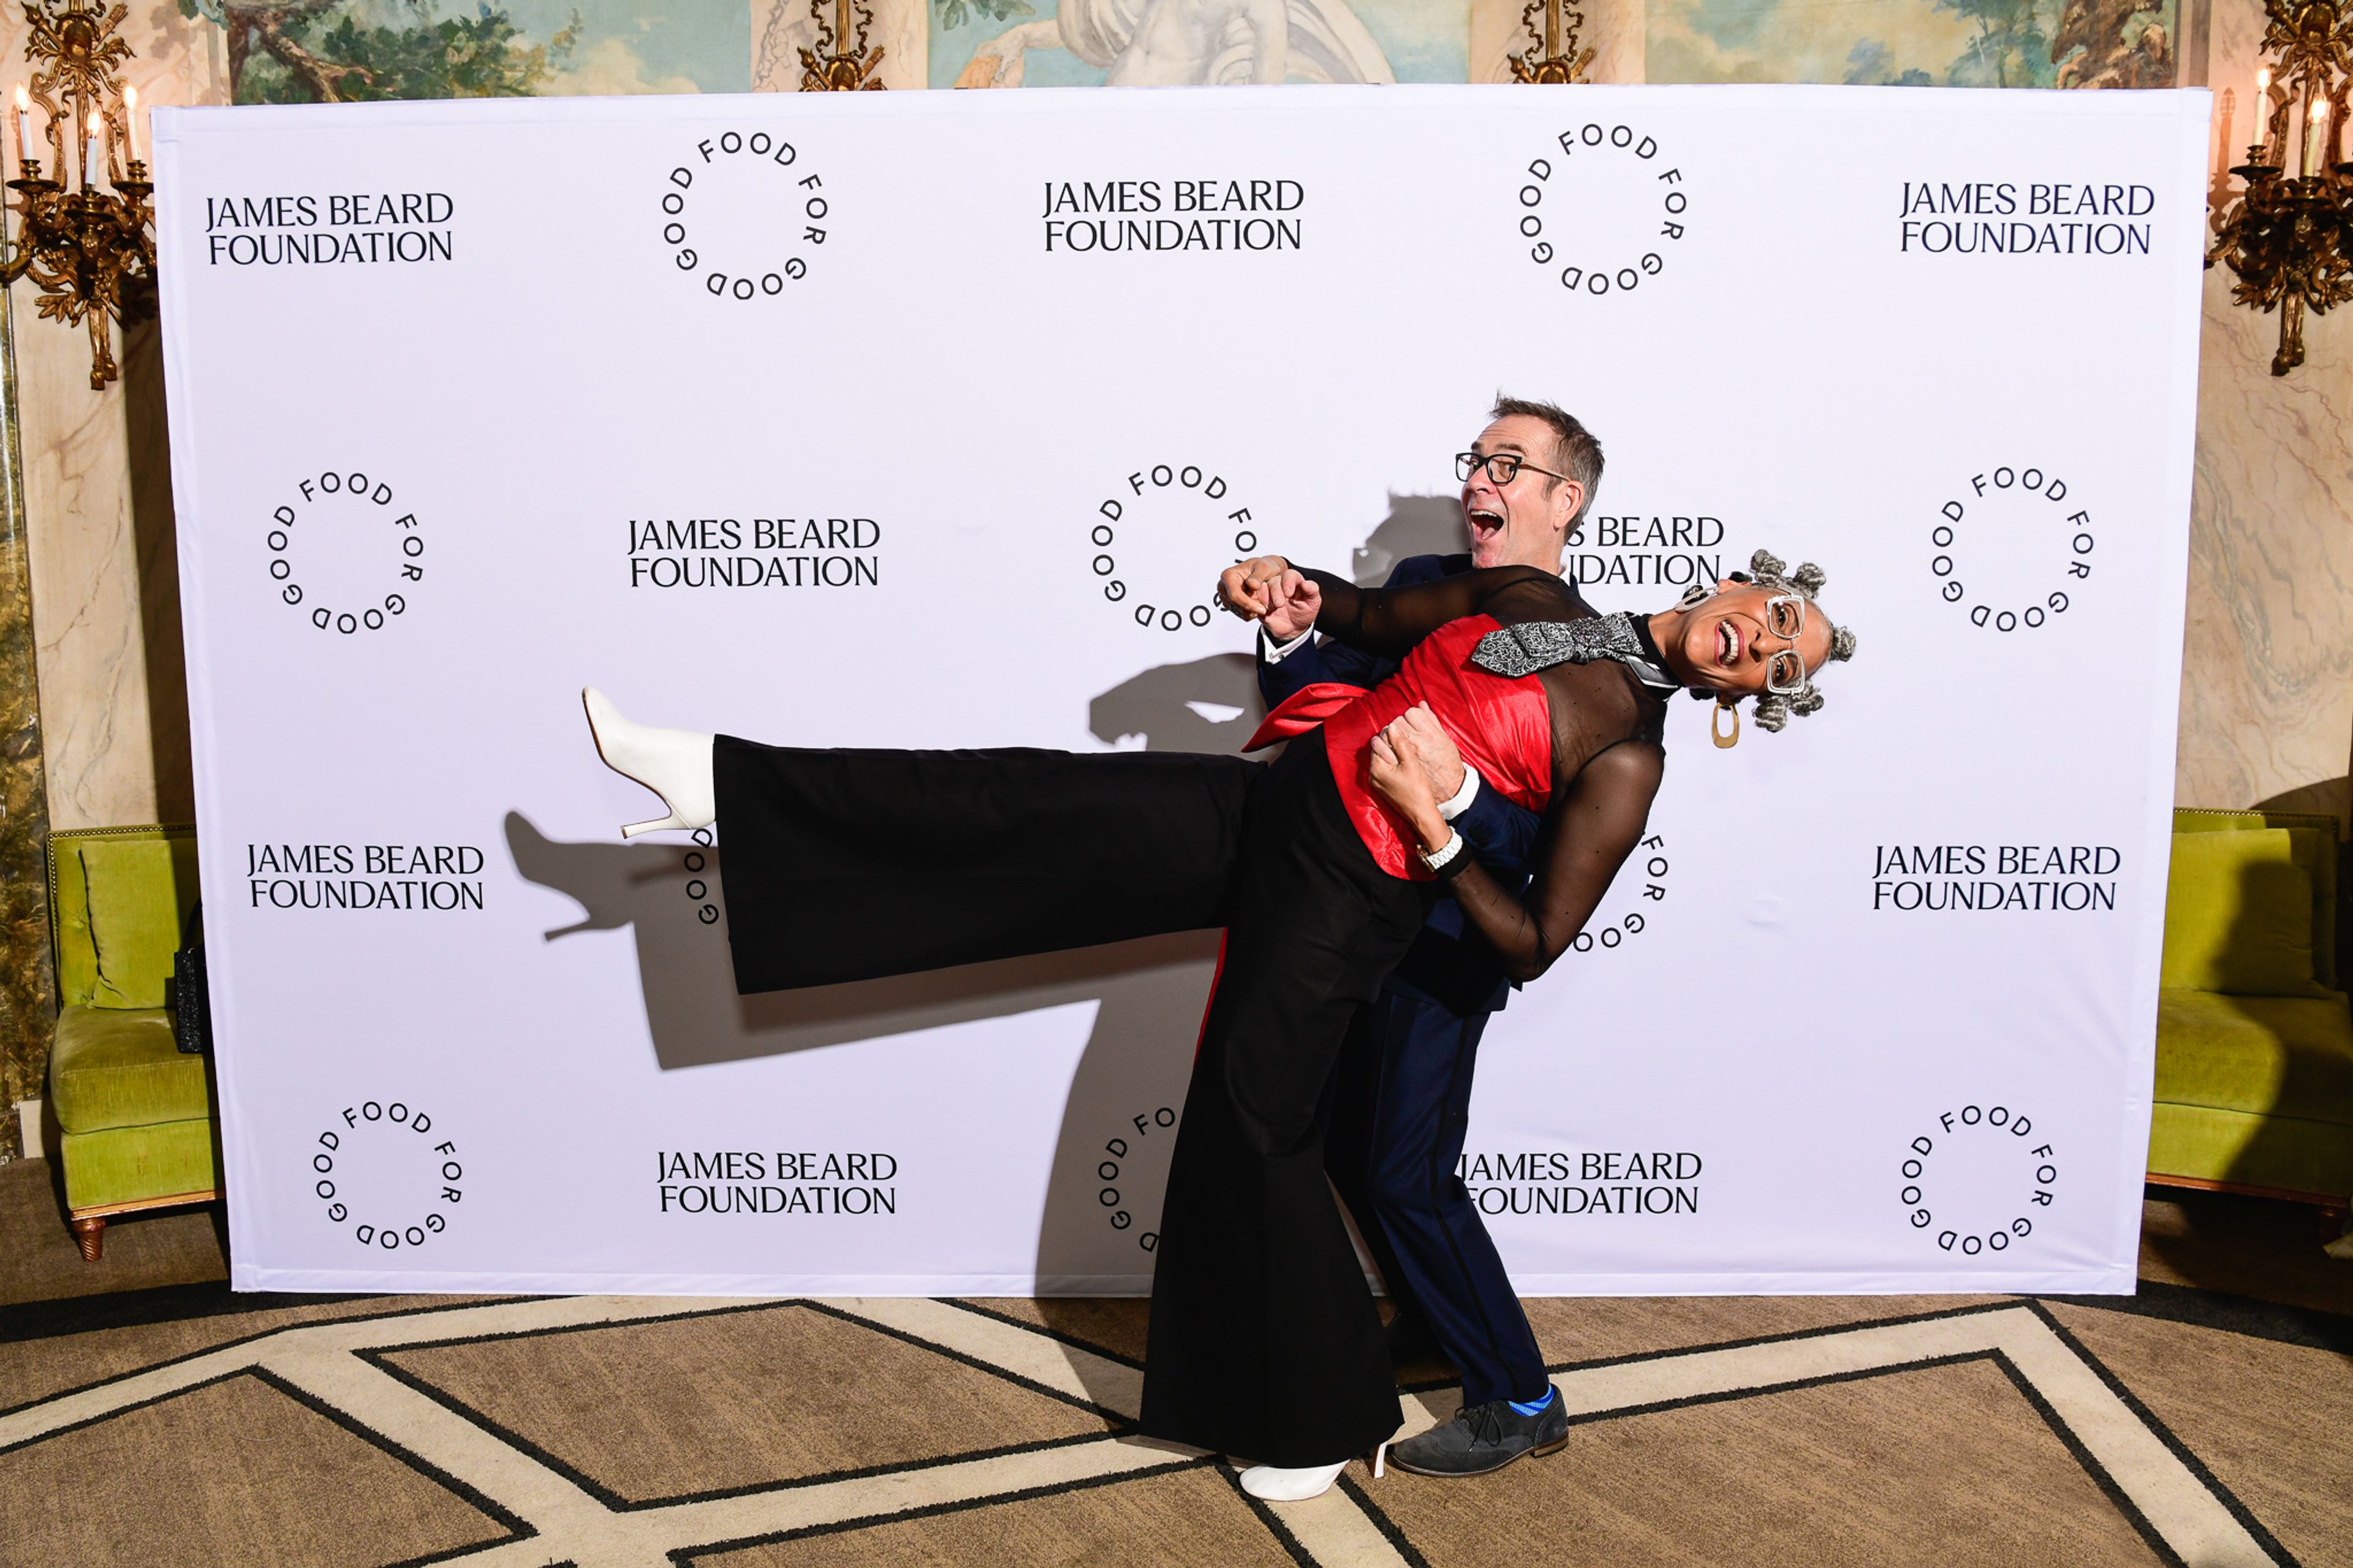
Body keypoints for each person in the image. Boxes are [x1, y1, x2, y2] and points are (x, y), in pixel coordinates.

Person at [582, 541, 1855, 1502]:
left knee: (1252, 1123)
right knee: (1034, 801)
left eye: (1782, 662)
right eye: (1778, 616)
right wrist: (1291, 591)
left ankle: (1312, 1420)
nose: (1763, 641)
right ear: (1744, 581)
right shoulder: (1532, 599)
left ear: (1756, 697)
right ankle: (720, 789)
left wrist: (1440, 826)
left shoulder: (1628, 757)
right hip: (1272, 805)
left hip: (1354, 890)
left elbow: (1529, 942)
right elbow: (1358, 615)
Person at [1235, 396, 1590, 1479]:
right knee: (1349, 1146)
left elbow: (1546, 834)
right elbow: (1324, 705)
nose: (1481, 479)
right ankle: (1440, 1322)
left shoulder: (1584, 651)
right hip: (1350, 916)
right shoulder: (1425, 586)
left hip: (1448, 933)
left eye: (1510, 464)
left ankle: (1520, 1395)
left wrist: (1458, 789)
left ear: (1563, 501)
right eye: (1477, 459)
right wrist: (1293, 626)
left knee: (1407, 1170)